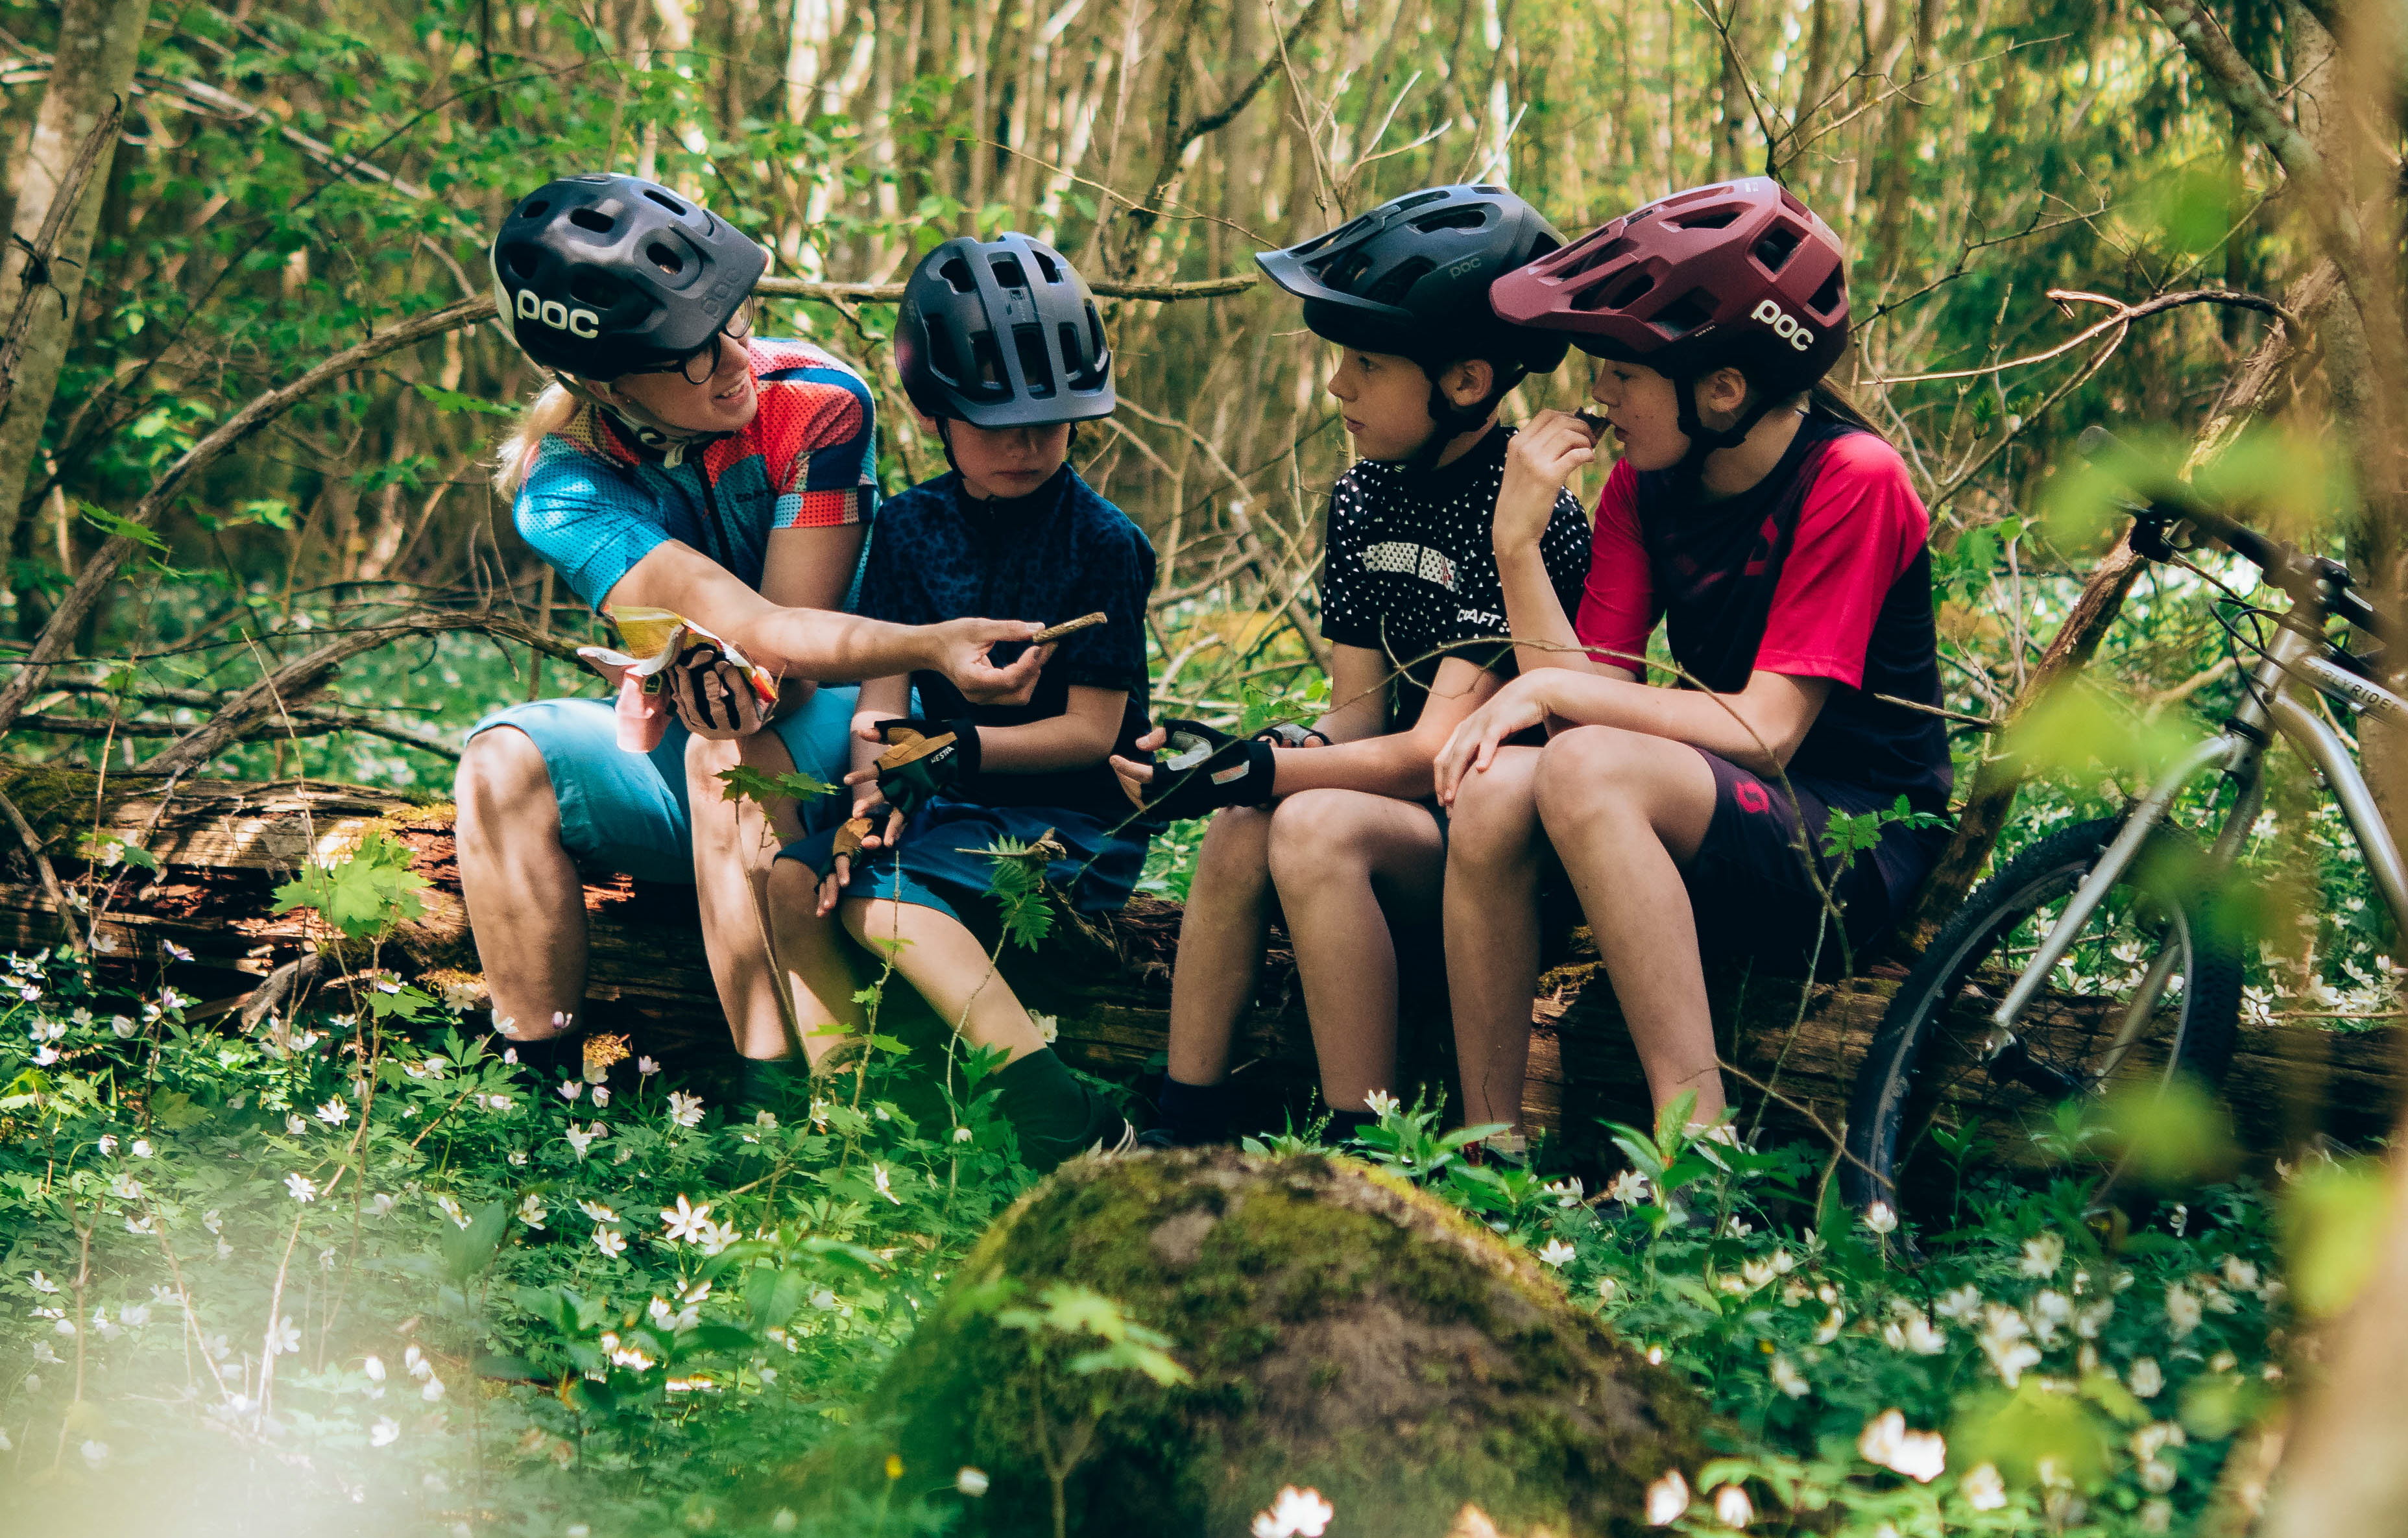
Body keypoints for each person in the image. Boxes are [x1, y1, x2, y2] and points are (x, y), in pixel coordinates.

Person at [459, 173, 1052, 1099]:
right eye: (691, 356)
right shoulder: (562, 485)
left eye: (732, 321)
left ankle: (774, 1102)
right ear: (606, 383)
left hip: (852, 725)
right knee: (498, 762)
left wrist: (930, 647)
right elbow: (739, 634)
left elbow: (781, 651)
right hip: (701, 737)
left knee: (723, 754)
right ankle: (535, 1090)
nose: (736, 358)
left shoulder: (818, 400)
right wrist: (692, 678)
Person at [1434, 176, 1953, 1138]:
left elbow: (1766, 730)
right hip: (1732, 813)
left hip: (1855, 846)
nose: (1600, 397)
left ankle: (1695, 1159)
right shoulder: (1646, 487)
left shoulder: (1853, 478)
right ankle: (1488, 1153)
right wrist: (1517, 542)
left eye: (1623, 375)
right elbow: (1586, 697)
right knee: (1501, 787)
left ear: (1723, 389)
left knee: (1583, 765)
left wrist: (1550, 687)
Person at [1112, 185, 1590, 1147]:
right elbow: (1356, 721)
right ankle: (1186, 1122)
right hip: (1409, 829)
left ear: (1464, 379)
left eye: (1366, 362)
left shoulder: (1529, 518)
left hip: (1504, 855)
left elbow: (1429, 754)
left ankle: (1364, 1152)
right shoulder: (1364, 497)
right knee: (1247, 824)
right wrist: (1241, 759)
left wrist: (1274, 770)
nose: (1338, 385)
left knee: (1315, 824)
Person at [765, 232, 1151, 1170]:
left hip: (1069, 816)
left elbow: (1094, 732)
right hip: (941, 801)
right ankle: (855, 1109)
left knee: (881, 907)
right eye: (996, 421)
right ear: (935, 412)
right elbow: (879, 701)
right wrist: (870, 797)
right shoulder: (907, 526)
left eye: (1051, 422)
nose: (1025, 445)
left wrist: (951, 751)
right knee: (791, 882)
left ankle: (1067, 1115)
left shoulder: (1104, 542)